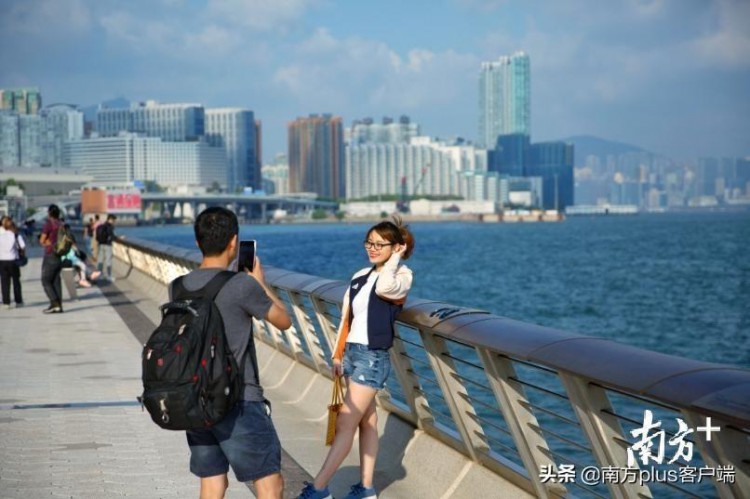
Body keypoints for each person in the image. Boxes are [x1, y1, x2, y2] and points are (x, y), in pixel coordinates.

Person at [174, 206, 292, 499]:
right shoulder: (241, 285)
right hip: (239, 400)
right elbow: (284, 320)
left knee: (212, 483)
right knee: (269, 483)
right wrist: (259, 283)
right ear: (233, 242)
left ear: (198, 242)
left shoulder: (178, 286)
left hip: (196, 400)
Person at [297, 217, 415, 499]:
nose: (372, 248)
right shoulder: (360, 276)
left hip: (373, 359)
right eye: (369, 243)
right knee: (367, 422)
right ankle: (365, 488)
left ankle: (320, 488)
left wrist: (396, 257)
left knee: (345, 423)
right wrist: (338, 355)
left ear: (396, 247)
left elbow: (386, 288)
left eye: (379, 244)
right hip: (352, 354)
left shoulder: (401, 276)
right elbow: (347, 319)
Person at [38, 204, 65, 314]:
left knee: (45, 280)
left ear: (49, 213)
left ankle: (55, 303)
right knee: (56, 280)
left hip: (50, 254)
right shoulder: (61, 224)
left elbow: (42, 240)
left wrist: (47, 243)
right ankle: (58, 305)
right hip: (59, 254)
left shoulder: (48, 225)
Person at [0, 217, 25, 309]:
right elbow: (22, 247)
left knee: (4, 282)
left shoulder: (1, 236)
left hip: (2, 261)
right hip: (13, 260)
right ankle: (18, 301)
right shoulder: (16, 236)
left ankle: (6, 302)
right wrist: (22, 254)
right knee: (16, 281)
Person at [96, 214, 119, 281]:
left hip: (100, 245)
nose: (114, 222)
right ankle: (109, 276)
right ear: (110, 219)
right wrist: (118, 238)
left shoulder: (101, 226)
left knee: (100, 260)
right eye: (114, 220)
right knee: (108, 260)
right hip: (108, 245)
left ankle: (99, 275)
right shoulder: (109, 226)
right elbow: (112, 236)